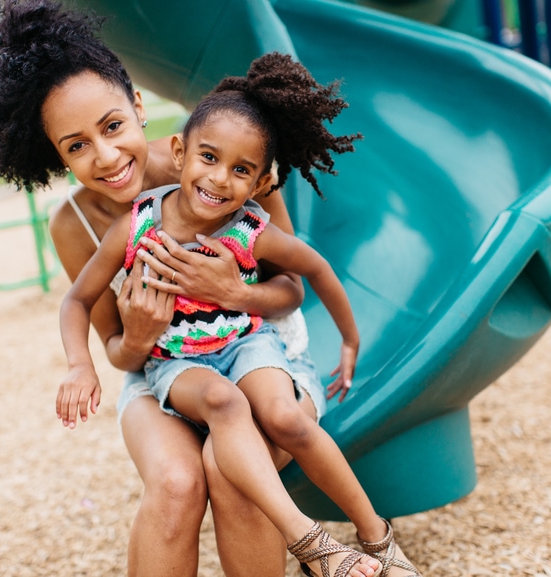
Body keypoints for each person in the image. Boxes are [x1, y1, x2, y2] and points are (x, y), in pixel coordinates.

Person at [0, 1, 335, 575]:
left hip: (262, 353)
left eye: (113, 126)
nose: (107, 156)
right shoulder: (77, 227)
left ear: (138, 107)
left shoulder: (222, 155)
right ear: (56, 153)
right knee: (175, 481)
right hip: (163, 372)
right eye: (76, 145)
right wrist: (137, 336)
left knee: (230, 468)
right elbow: (119, 352)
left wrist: (237, 294)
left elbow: (294, 288)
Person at [57, 52, 422, 577]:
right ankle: (313, 544)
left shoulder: (246, 224)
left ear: (259, 183)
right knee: (220, 410)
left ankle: (375, 535)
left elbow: (311, 271)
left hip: (250, 341)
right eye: (77, 145)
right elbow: (80, 304)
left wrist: (346, 337)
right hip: (176, 362)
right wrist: (82, 362)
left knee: (281, 419)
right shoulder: (135, 226)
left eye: (241, 171)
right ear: (182, 152)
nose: (221, 178)